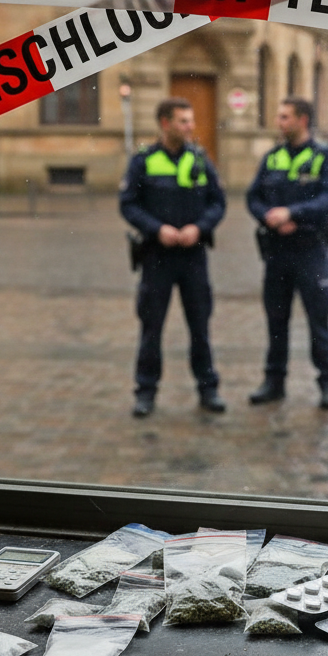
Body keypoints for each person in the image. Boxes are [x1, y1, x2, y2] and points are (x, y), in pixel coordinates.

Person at [120, 98, 227, 417]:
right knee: (151, 328)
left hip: (193, 256)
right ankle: (145, 392)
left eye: (191, 120)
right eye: (183, 121)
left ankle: (208, 389)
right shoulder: (144, 160)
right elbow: (128, 204)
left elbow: (218, 203)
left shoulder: (200, 159)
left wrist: (200, 227)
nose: (190, 127)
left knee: (200, 327)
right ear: (165, 123)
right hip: (157, 257)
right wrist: (157, 229)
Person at [246, 97, 328, 409]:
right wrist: (269, 217)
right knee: (276, 320)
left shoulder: (324, 156)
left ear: (303, 120)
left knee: (318, 319)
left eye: (285, 117)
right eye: (279, 116)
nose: (279, 122)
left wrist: (292, 214)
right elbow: (253, 197)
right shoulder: (273, 157)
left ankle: (327, 383)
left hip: (310, 250)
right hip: (277, 252)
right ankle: (274, 382)